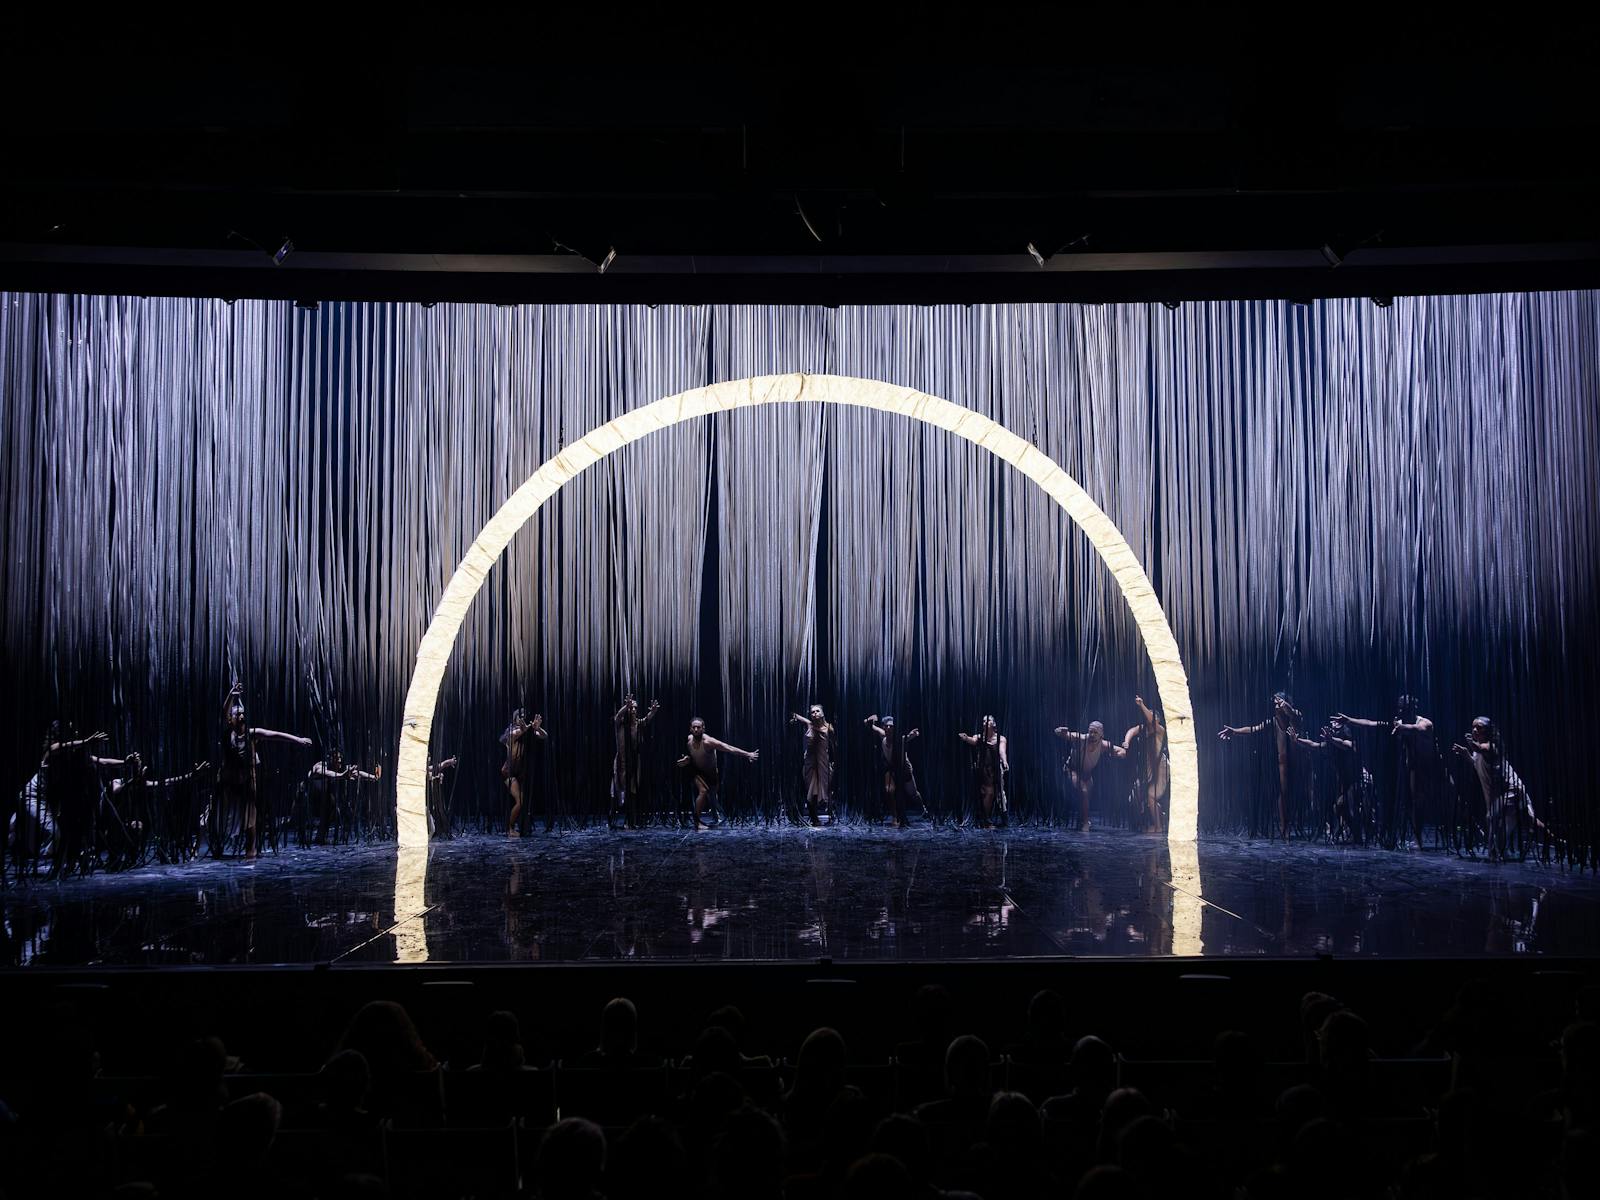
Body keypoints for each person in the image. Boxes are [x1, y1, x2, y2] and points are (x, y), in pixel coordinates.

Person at [216, 682, 312, 860]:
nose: (242, 716)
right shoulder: (228, 734)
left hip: (247, 780)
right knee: (225, 814)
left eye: (243, 714)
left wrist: (298, 740)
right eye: (238, 714)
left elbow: (274, 735)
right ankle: (217, 842)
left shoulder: (252, 733)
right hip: (230, 781)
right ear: (232, 719)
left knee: (251, 815)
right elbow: (223, 713)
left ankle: (250, 850)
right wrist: (231, 693)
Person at [1335, 695, 1436, 850]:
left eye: (1404, 708)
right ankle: (1410, 838)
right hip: (1409, 768)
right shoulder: (1398, 722)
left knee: (1418, 803)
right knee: (1409, 804)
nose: (1400, 711)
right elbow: (1370, 724)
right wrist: (1349, 720)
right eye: (1399, 708)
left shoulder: (1423, 722)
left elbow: (1419, 729)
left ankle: (1418, 841)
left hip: (1426, 768)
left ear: (1413, 708)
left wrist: (1403, 728)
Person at [1453, 716, 1548, 861]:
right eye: (1473, 726)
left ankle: (1496, 853)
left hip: (1512, 791)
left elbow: (1480, 748)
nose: (1474, 730)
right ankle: (1554, 841)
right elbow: (1477, 764)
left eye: (1479, 727)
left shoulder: (1491, 746)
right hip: (1501, 794)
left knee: (1492, 817)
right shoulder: (1479, 748)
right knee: (1529, 821)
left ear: (1489, 731)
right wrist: (1466, 754)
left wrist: (1472, 743)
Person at [1218, 691, 1303, 840]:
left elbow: (1292, 714)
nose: (1276, 705)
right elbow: (1252, 729)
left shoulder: (1294, 715)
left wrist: (1286, 705)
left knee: (1296, 795)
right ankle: (1284, 828)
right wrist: (1234, 731)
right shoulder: (1273, 721)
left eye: (1279, 702)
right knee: (1283, 795)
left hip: (1299, 761)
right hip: (1282, 763)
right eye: (1275, 703)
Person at [109, 751, 208, 865]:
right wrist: (133, 780)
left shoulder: (143, 785)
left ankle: (132, 857)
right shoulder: (117, 782)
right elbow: (117, 791)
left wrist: (191, 775)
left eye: (139, 766)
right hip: (114, 825)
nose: (138, 768)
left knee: (137, 827)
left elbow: (168, 782)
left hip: (130, 825)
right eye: (135, 766)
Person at [677, 718, 758, 830]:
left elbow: (728, 748)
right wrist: (686, 759)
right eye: (693, 727)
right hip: (697, 771)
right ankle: (697, 823)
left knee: (712, 796)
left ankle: (715, 815)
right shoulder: (689, 739)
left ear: (703, 729)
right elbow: (690, 754)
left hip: (711, 773)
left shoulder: (709, 742)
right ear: (690, 728)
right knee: (703, 791)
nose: (696, 729)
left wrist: (747, 754)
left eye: (698, 727)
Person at [1294, 717, 1366, 844]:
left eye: (1336, 726)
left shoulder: (1350, 743)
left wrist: (1332, 739)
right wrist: (1297, 740)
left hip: (1359, 781)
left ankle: (1358, 833)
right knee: (1340, 808)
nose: (1332, 726)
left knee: (1341, 806)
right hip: (1346, 783)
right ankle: (1357, 835)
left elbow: (1345, 745)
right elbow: (1313, 745)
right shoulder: (1330, 745)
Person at [1053, 720, 1126, 832]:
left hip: (1087, 775)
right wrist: (1061, 732)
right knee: (1083, 791)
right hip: (1072, 770)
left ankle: (1081, 820)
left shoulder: (1104, 745)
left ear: (1101, 734)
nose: (1092, 735)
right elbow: (1066, 735)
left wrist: (1120, 754)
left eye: (1095, 732)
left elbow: (1122, 751)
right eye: (1090, 732)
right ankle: (1086, 823)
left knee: (1085, 797)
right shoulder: (1082, 738)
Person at [306, 749, 380, 846]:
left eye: (340, 758)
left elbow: (357, 773)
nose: (339, 761)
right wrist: (342, 775)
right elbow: (329, 773)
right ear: (329, 759)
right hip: (308, 795)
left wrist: (373, 777)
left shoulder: (340, 767)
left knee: (331, 806)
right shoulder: (320, 767)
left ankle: (320, 837)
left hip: (324, 796)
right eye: (336, 758)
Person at [863, 715, 922, 828]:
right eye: (887, 726)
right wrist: (871, 719)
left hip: (903, 768)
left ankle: (922, 808)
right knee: (889, 790)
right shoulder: (882, 734)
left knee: (913, 794)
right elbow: (867, 724)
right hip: (891, 768)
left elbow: (908, 737)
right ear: (884, 727)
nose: (889, 728)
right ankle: (895, 817)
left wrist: (913, 735)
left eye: (891, 726)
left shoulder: (900, 738)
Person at [1122, 695, 1170, 834]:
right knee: (1136, 793)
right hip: (1148, 768)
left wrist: (1142, 705)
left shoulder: (1160, 730)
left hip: (1161, 768)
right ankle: (1159, 817)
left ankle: (1159, 827)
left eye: (1152, 716)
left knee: (1151, 795)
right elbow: (1132, 731)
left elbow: (1152, 720)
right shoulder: (1143, 728)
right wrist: (1127, 741)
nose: (1149, 719)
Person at [611, 696, 658, 830]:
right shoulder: (620, 724)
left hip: (634, 761)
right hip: (621, 761)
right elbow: (617, 717)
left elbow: (647, 719)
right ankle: (612, 817)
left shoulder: (638, 723)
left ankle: (631, 820)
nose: (633, 710)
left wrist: (653, 711)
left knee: (632, 792)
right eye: (631, 707)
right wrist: (626, 706)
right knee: (617, 790)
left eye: (635, 708)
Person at [500, 708, 547, 837]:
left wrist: (537, 729)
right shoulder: (511, 732)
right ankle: (509, 829)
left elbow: (544, 736)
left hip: (520, 772)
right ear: (515, 719)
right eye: (519, 716)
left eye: (524, 716)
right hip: (509, 773)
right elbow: (514, 734)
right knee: (519, 801)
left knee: (523, 802)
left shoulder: (527, 732)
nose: (522, 718)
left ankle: (518, 825)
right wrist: (528, 728)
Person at [958, 716, 1009, 828]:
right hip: (984, 770)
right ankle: (985, 819)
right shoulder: (979, 737)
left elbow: (1002, 751)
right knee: (989, 792)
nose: (985, 722)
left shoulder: (1001, 738)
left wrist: (1005, 761)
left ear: (994, 724)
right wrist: (966, 738)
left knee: (1000, 794)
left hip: (996, 769)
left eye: (988, 720)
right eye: (984, 721)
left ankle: (1003, 819)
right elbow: (973, 740)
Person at [789, 705, 835, 826]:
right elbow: (795, 715)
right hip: (810, 764)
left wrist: (833, 761)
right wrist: (793, 719)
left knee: (827, 790)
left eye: (817, 711)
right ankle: (814, 819)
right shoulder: (809, 725)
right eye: (812, 712)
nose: (814, 713)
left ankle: (831, 816)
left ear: (822, 713)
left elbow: (833, 747)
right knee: (811, 793)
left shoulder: (829, 728)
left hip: (823, 763)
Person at [426, 755, 459, 839]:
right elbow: (431, 772)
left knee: (431, 828)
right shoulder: (418, 770)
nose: (429, 760)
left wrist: (448, 762)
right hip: (416, 805)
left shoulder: (424, 768)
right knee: (431, 828)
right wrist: (437, 776)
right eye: (427, 758)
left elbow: (436, 767)